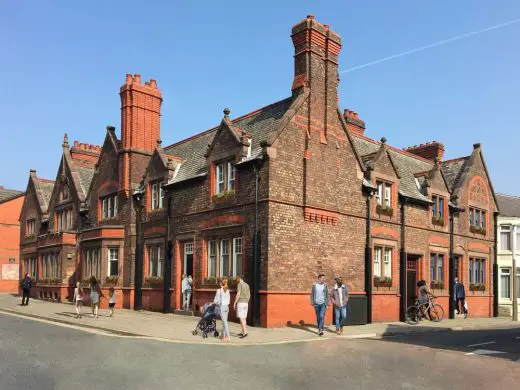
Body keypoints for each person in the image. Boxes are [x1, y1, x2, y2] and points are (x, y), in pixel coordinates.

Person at [233, 274, 250, 339]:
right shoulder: (247, 285)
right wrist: (247, 301)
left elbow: (238, 294)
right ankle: (243, 331)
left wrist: (235, 302)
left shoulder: (240, 284)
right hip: (246, 303)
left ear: (239, 278)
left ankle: (245, 332)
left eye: (237, 278)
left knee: (241, 318)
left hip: (241, 302)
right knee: (244, 318)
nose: (236, 279)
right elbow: (249, 295)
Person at [214, 278, 231, 342]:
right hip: (227, 307)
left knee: (224, 322)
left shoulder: (219, 290)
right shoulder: (228, 290)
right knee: (225, 321)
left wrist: (214, 302)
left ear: (220, 283)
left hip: (222, 307)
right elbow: (229, 300)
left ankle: (227, 336)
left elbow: (216, 301)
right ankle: (223, 335)